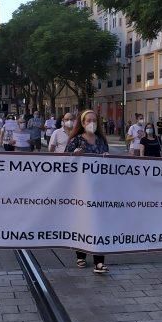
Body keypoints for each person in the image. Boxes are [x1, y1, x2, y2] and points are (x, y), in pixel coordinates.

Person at [65, 110, 109, 274]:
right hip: (81, 189)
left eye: (94, 120)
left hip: (99, 189)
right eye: (88, 120)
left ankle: (99, 261)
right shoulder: (75, 140)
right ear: (82, 123)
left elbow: (108, 162)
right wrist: (74, 155)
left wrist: (107, 157)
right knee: (82, 222)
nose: (91, 122)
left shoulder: (102, 140)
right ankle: (81, 254)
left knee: (99, 224)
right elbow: (65, 162)